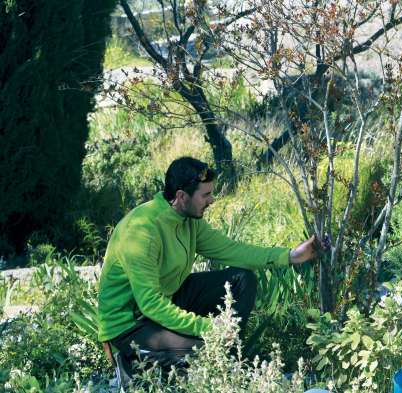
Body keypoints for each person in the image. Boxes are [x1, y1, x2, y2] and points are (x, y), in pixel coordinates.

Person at [97, 156, 318, 378]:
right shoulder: (142, 231)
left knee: (242, 279)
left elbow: (232, 251)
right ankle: (129, 363)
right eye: (206, 194)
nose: (212, 199)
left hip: (167, 300)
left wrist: (291, 256)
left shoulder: (189, 220)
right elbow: (150, 304)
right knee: (203, 353)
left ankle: (228, 358)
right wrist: (210, 328)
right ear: (181, 196)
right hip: (128, 326)